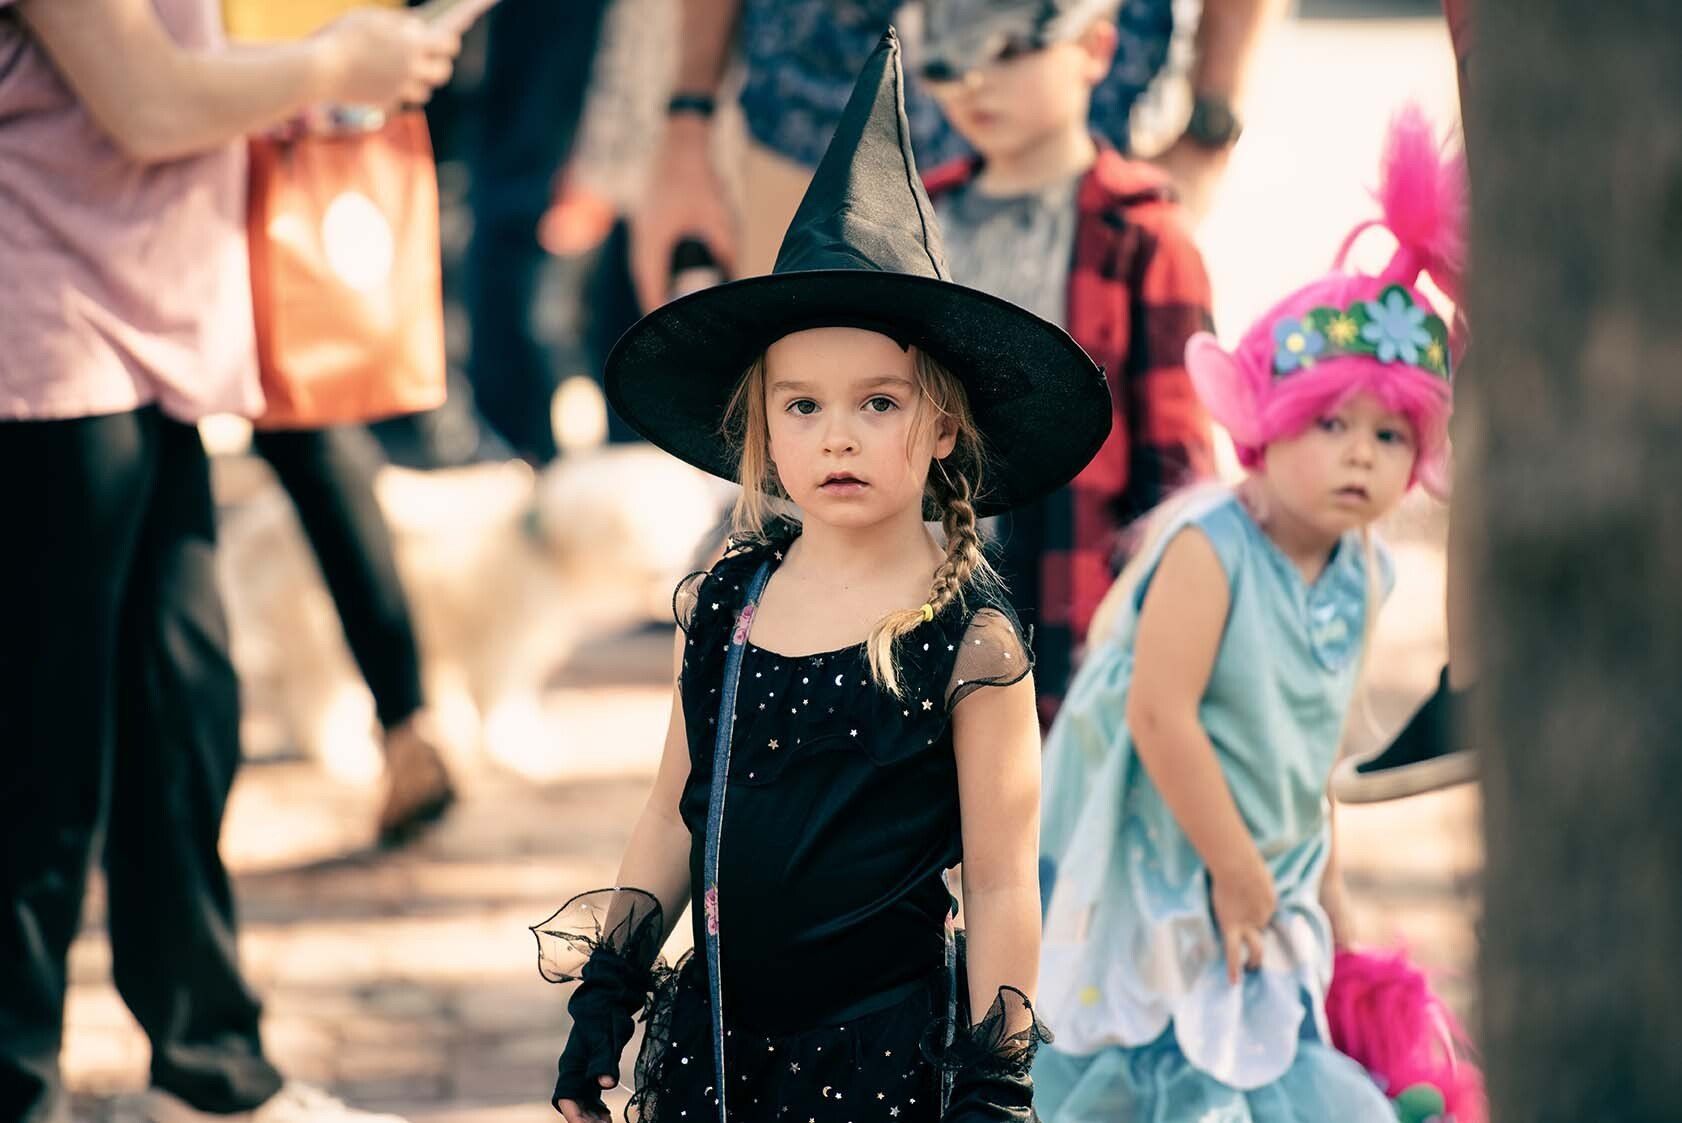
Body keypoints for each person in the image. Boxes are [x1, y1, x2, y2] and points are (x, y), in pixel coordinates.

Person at [530, 31, 1114, 1123]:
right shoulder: (729, 602)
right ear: (761, 422)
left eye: (876, 403)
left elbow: (997, 879)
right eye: (801, 404)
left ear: (941, 424)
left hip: (880, 1066)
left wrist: (996, 1081)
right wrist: (606, 994)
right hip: (713, 1050)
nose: (835, 435)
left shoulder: (967, 636)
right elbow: (673, 809)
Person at [0, 1, 469, 1120]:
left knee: (183, 716)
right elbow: (148, 103)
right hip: (45, 338)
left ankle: (207, 1068)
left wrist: (330, 77)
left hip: (151, 331)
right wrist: (332, 61)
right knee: (41, 756)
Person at [1031, 106, 1465, 1121]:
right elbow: (1158, 715)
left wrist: (1327, 900)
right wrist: (1231, 869)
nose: (1361, 454)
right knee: (1169, 1061)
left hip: (1261, 860)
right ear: (1265, 426)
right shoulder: (1208, 548)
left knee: (1266, 1040)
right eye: (1329, 422)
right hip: (1166, 856)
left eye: (1390, 434)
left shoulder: (1361, 572)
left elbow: (1306, 754)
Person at [919, 0, 1217, 728]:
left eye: (1012, 48)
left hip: (1072, 609)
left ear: (1095, 46)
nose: (976, 82)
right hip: (919, 594)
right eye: (951, 59)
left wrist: (1160, 644)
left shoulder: (1145, 234)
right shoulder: (915, 217)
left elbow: (1179, 484)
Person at [628, 0, 1282, 316]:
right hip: (814, 122)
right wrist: (685, 127)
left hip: (1074, 128)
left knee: (1072, 482)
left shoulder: (1135, 227)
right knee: (803, 455)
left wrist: (1210, 126)